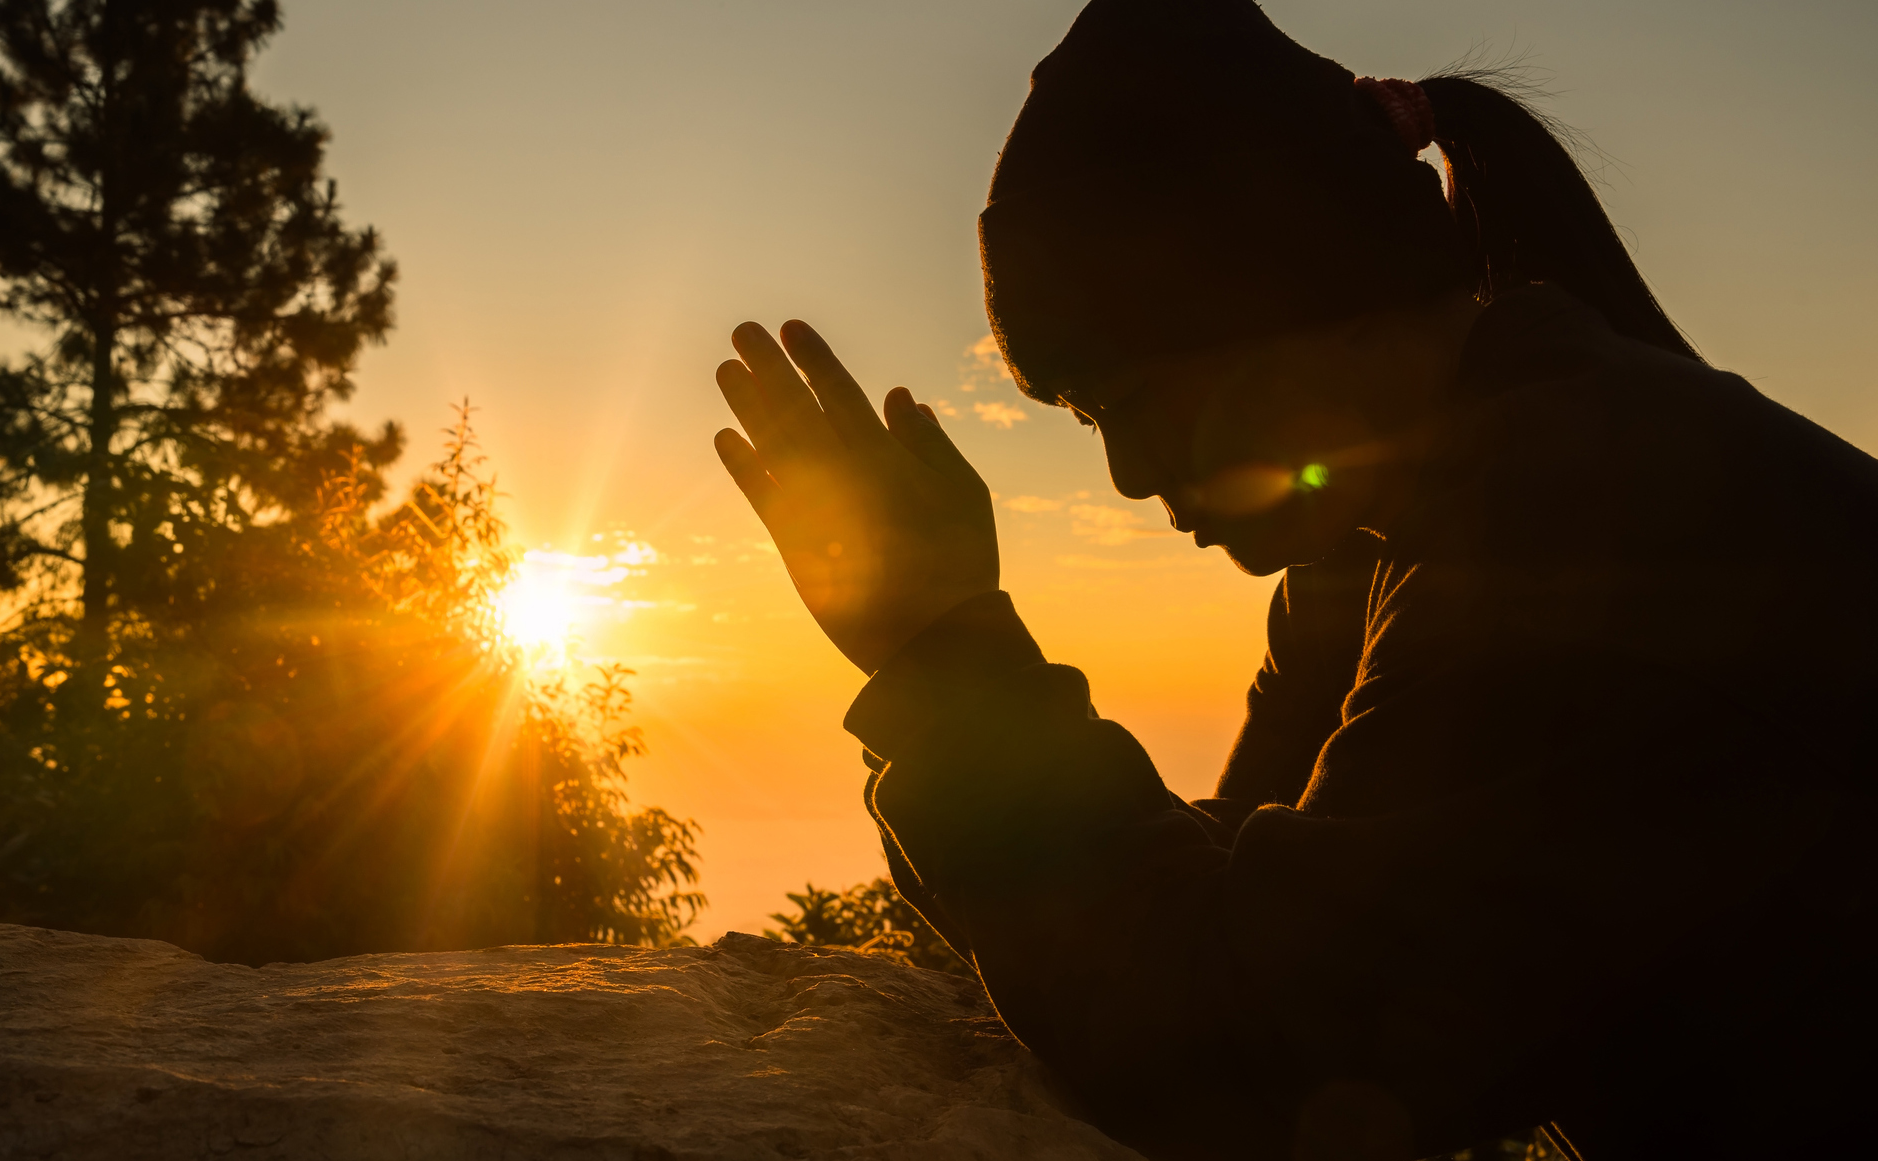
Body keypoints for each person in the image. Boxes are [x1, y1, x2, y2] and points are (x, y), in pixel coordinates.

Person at [708, 2, 1878, 1158]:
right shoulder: (1372, 566)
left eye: (1129, 399)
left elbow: (1262, 1053)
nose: (1121, 473)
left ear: (1288, 297)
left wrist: (943, 653)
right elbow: (1245, 910)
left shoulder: (1580, 518)